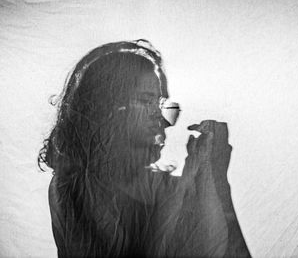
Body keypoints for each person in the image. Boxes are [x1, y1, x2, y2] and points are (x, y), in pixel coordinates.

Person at [39, 40, 251, 257]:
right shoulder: (72, 186)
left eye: (159, 104)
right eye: (146, 101)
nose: (159, 117)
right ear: (109, 107)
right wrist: (188, 185)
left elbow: (212, 249)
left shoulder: (157, 183)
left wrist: (207, 170)